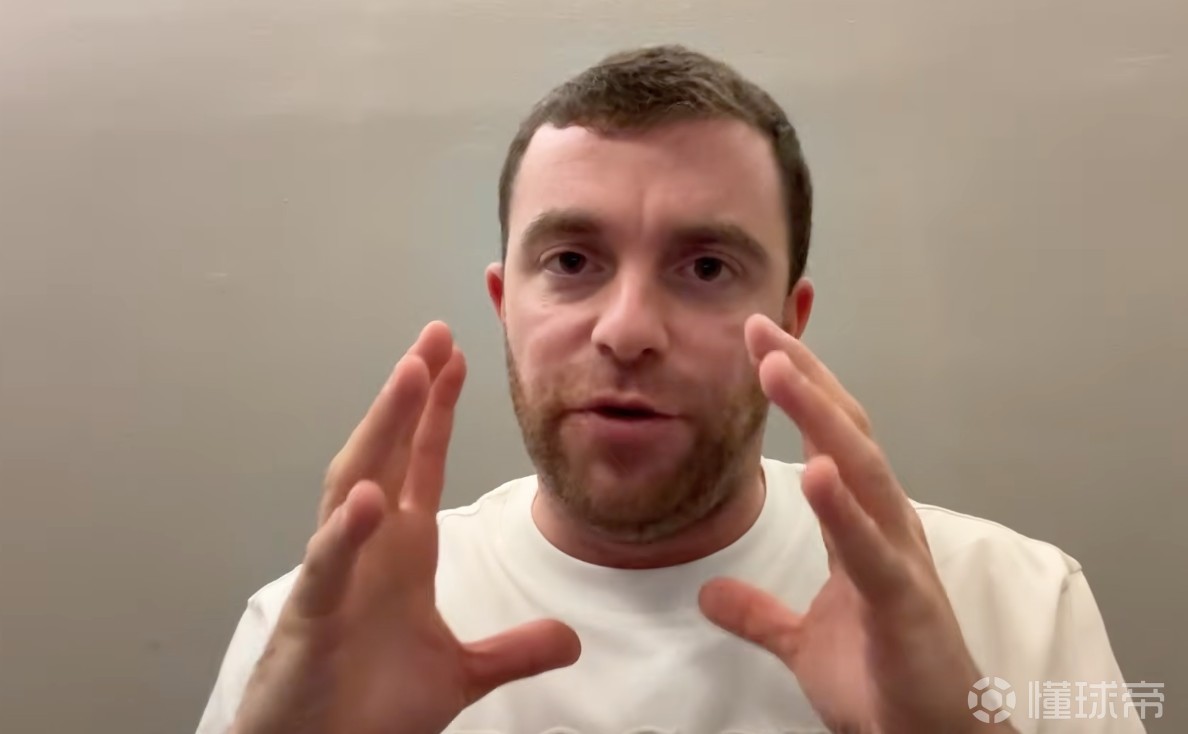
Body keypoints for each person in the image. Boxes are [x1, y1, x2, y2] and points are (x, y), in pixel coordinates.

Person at [196, 45, 1145, 734]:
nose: (627, 330)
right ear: (504, 304)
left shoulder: (1016, 605)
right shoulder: (318, 634)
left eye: (706, 268)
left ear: (791, 321)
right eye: (572, 261)